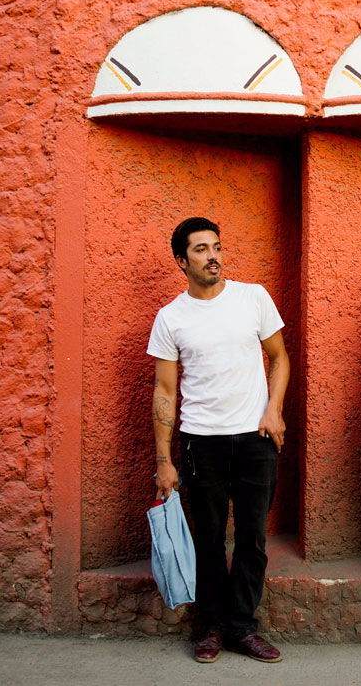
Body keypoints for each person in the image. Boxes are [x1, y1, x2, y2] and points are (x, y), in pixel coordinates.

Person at [148, 216, 290, 665]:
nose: (213, 256)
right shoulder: (171, 317)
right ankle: (209, 626)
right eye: (201, 249)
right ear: (181, 261)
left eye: (217, 246)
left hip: (255, 438)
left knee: (252, 539)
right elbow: (165, 391)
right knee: (207, 539)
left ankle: (243, 628)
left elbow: (280, 357)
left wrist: (274, 408)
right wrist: (164, 460)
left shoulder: (253, 298)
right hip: (200, 442)